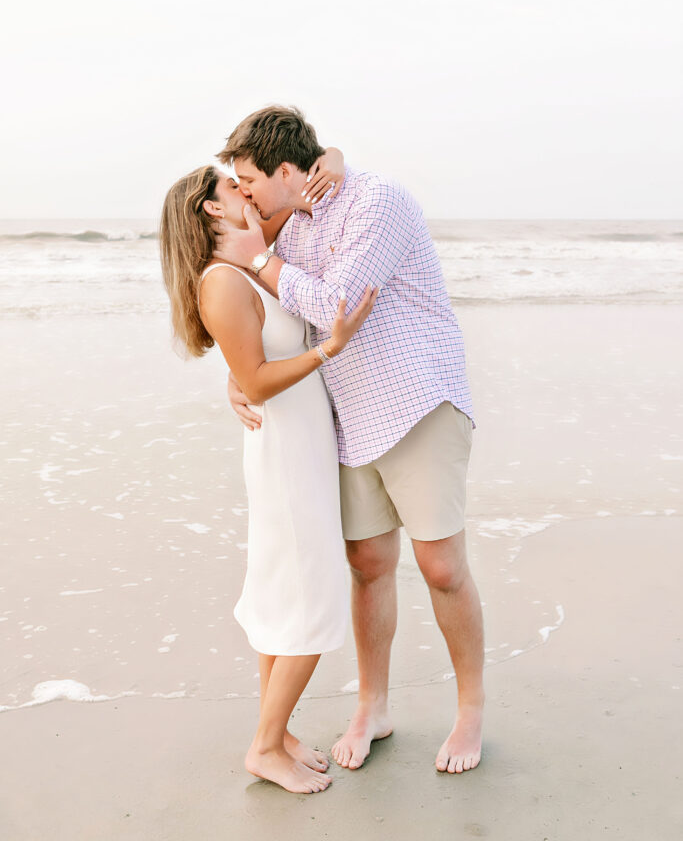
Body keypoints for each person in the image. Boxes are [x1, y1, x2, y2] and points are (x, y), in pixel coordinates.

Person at [213, 105, 485, 776]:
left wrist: (260, 261)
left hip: (416, 400)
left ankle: (471, 708)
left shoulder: (377, 200)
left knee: (441, 566)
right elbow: (269, 319)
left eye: (249, 179)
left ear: (285, 169)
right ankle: (373, 705)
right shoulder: (285, 223)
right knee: (367, 565)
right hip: (343, 418)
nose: (242, 192)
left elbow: (337, 306)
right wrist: (235, 376)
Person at [159, 155, 377, 794]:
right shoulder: (221, 281)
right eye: (234, 186)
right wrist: (327, 347)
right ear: (210, 208)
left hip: (299, 447)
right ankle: (262, 747)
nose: (245, 189)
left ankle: (276, 732)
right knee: (309, 601)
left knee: (284, 596)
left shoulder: (246, 261)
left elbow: (311, 174)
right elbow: (256, 379)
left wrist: (331, 161)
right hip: (285, 456)